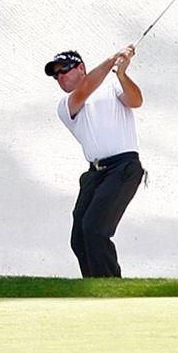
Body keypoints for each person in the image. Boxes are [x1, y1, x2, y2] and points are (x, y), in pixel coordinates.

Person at [47, 44, 146, 278]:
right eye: (56, 75)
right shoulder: (66, 104)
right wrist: (112, 59)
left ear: (81, 67)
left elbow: (136, 100)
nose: (60, 77)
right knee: (79, 238)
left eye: (64, 70)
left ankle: (109, 289)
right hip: (95, 173)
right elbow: (86, 89)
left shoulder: (113, 86)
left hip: (123, 167)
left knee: (95, 228)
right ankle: (94, 288)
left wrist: (121, 74)